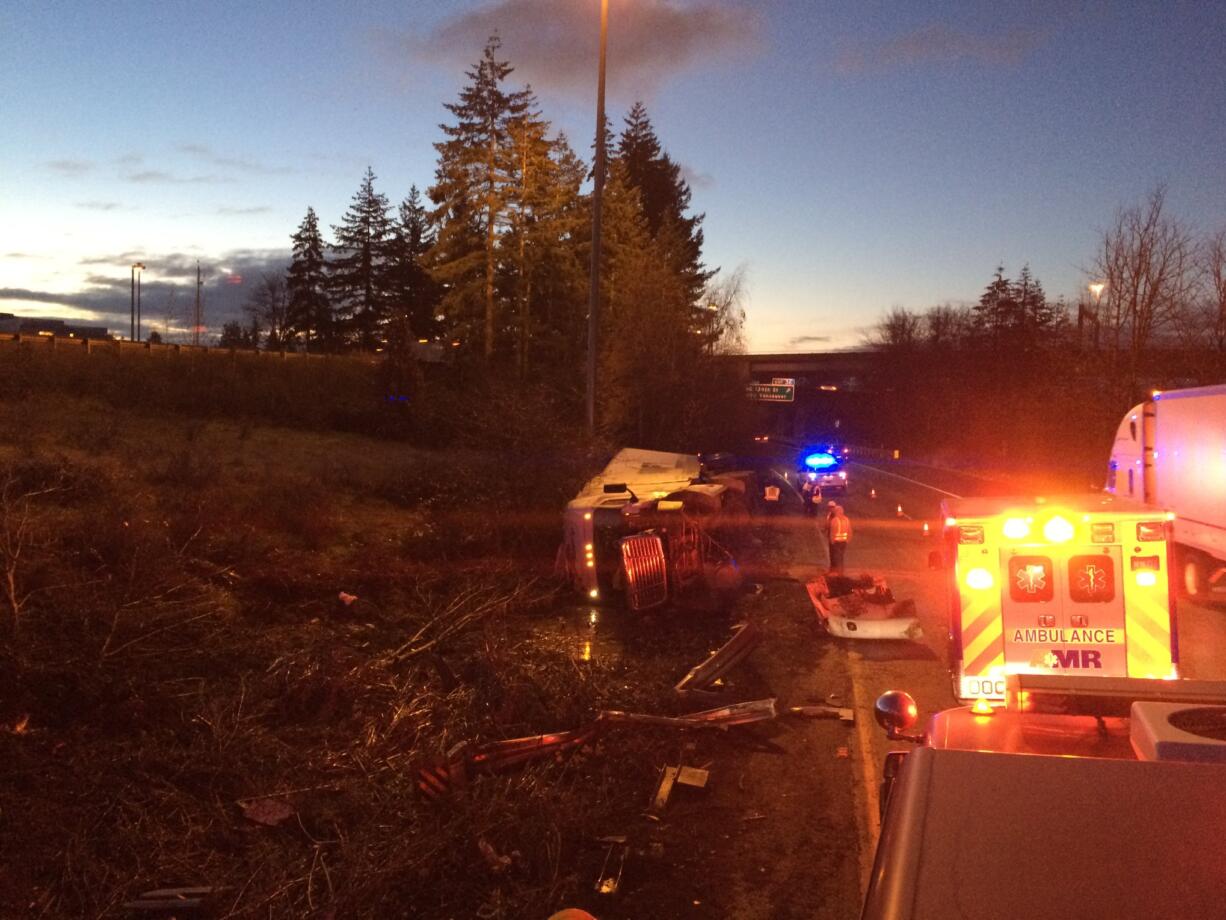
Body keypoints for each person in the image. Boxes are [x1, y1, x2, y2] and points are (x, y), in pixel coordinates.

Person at [828, 504, 852, 572]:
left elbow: (832, 532)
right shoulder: (847, 519)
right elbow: (849, 531)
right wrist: (848, 539)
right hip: (844, 542)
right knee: (841, 556)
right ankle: (841, 570)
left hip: (836, 542)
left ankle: (836, 571)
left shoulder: (835, 520)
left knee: (836, 557)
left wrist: (832, 541)